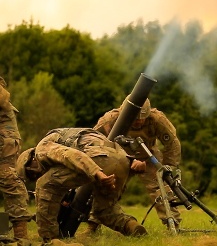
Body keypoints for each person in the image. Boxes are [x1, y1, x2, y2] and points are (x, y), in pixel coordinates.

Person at [16, 127, 148, 244]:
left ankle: (50, 239)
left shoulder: (41, 149)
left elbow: (69, 155)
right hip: (121, 158)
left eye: (32, 173)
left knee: (45, 184)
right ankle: (131, 227)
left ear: (31, 159)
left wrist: (97, 172)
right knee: (104, 209)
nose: (36, 176)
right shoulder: (66, 135)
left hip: (97, 159)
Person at [88, 96, 182, 232]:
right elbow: (93, 142)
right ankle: (93, 224)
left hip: (149, 157)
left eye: (141, 118)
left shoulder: (157, 120)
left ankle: (173, 225)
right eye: (135, 118)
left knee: (161, 188)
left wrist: (168, 167)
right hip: (119, 158)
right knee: (106, 187)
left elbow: (172, 143)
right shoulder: (110, 120)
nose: (138, 121)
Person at [0, 76, 34, 240]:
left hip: (4, 143)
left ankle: (21, 237)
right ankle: (3, 232)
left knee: (8, 181)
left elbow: (3, 96)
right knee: (9, 183)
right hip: (7, 142)